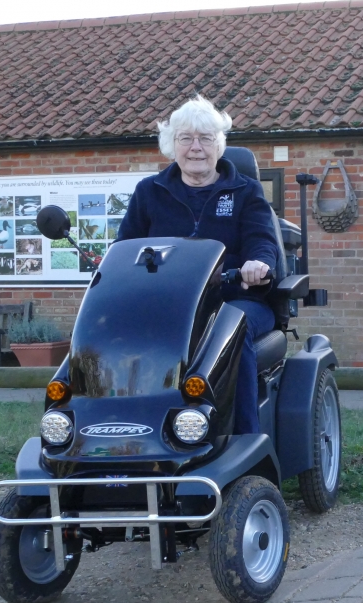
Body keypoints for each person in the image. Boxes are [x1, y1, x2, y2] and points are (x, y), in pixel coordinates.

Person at [117, 95, 280, 434]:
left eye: (205, 138)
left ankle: (245, 442)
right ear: (171, 145)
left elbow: (262, 241)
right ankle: (132, 432)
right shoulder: (149, 192)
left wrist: (257, 264)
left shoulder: (245, 191)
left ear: (219, 146)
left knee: (231, 330)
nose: (195, 148)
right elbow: (125, 249)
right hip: (171, 304)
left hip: (236, 300)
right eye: (185, 138)